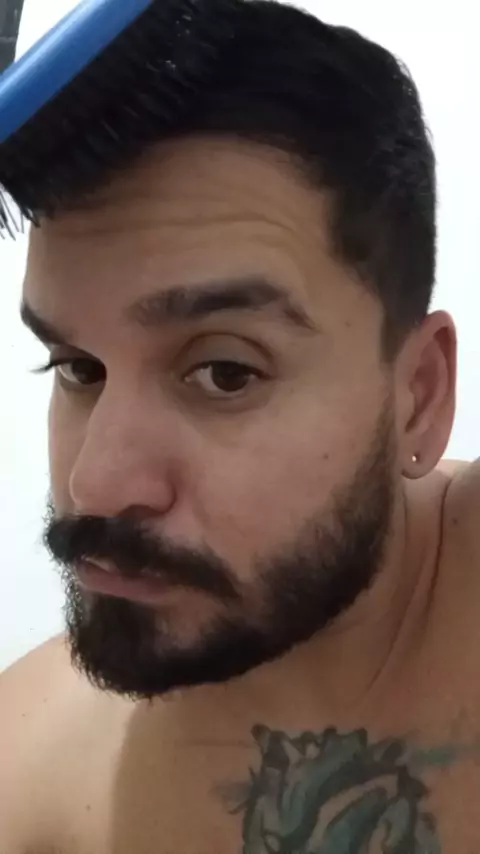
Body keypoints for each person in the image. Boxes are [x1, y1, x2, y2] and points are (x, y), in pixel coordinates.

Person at [1, 0, 478, 851]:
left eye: (224, 372)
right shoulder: (33, 781)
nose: (95, 484)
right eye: (78, 367)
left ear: (418, 394)